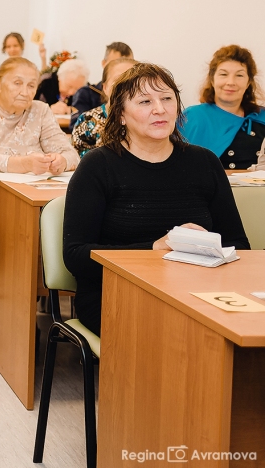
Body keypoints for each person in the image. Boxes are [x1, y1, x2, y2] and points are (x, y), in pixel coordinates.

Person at [63, 63, 250, 336]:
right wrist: (154, 249)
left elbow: (240, 245)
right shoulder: (98, 166)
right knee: (178, 331)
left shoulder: (204, 162)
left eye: (166, 98)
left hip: (196, 290)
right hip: (117, 294)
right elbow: (76, 256)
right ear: (121, 115)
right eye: (144, 101)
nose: (159, 109)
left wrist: (205, 248)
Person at [0, 57, 80, 283]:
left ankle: (26, 295)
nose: (25, 91)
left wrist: (60, 160)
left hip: (31, 199)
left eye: (31, 85)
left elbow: (71, 154)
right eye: (17, 83)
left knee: (62, 230)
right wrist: (23, 163)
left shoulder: (40, 111)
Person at [180, 45, 265, 170]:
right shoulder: (192, 118)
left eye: (239, 75)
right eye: (223, 74)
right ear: (212, 80)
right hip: (209, 189)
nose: (231, 82)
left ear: (248, 82)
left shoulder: (262, 117)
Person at [71, 57, 138, 157]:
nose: (125, 86)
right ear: (105, 88)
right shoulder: (87, 121)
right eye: (118, 80)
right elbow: (79, 161)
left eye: (132, 80)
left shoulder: (149, 119)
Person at [70, 42, 134, 119]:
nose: (123, 71)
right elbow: (76, 124)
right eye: (115, 62)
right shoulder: (86, 94)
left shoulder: (141, 95)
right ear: (104, 63)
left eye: (129, 64)